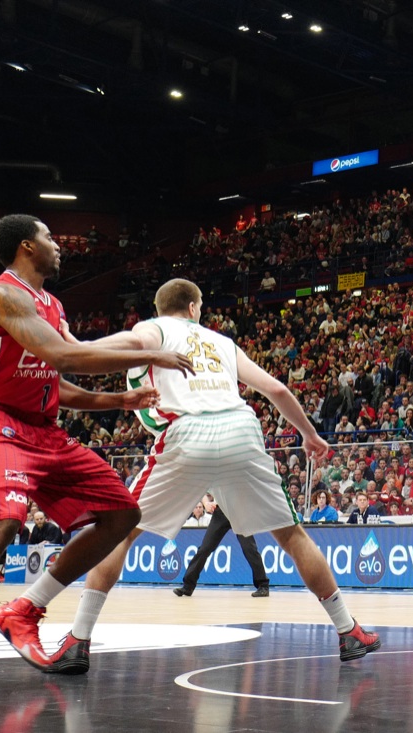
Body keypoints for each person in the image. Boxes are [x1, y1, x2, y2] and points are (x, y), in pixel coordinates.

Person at [0, 214, 193, 700]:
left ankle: (25, 608)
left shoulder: (53, 305)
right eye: (50, 238)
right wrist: (152, 355)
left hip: (45, 431)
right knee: (2, 525)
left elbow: (56, 381)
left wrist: (116, 402)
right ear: (25, 247)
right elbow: (64, 356)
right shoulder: (1, 293)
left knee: (122, 513)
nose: (59, 245)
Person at [44, 278, 379, 676]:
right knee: (291, 536)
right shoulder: (220, 341)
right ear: (192, 307)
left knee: (120, 531)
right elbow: (276, 388)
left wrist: (77, 346)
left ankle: (78, 640)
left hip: (188, 435)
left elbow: (126, 345)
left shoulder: (152, 330)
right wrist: (308, 433)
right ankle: (348, 630)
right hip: (240, 429)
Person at [173, 504, 270, 598]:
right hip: (221, 511)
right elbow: (206, 487)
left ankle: (263, 585)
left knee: (249, 548)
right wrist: (206, 502)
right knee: (205, 548)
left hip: (240, 511)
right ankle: (188, 586)